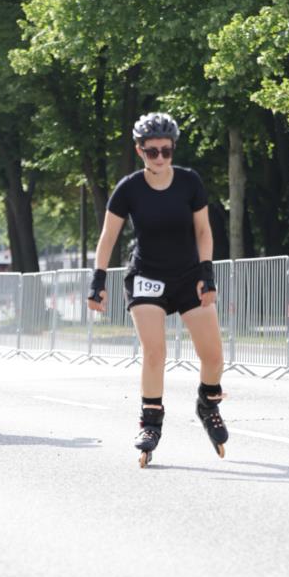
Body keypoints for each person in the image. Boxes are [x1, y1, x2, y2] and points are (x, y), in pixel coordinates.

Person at [87, 112, 227, 466]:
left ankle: (207, 403)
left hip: (187, 276)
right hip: (146, 276)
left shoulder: (189, 182)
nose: (161, 158)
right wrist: (98, 281)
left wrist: (206, 273)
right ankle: (150, 422)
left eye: (167, 150)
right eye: (153, 152)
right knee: (155, 351)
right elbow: (108, 237)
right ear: (140, 151)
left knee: (212, 356)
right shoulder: (129, 188)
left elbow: (203, 231)